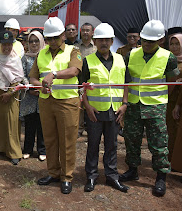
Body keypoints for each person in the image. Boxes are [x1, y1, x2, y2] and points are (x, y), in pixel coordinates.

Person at [119, 20, 179, 197]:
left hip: (156, 106)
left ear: (161, 40)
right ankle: (132, 170)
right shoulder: (131, 55)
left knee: (159, 143)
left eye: (151, 41)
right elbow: (126, 81)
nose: (146, 43)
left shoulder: (168, 58)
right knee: (131, 139)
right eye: (144, 39)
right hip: (134, 105)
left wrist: (160, 99)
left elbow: (171, 82)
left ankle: (160, 177)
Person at [29, 17, 82, 194]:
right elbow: (33, 77)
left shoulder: (73, 51)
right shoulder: (41, 54)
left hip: (67, 102)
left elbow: (74, 71)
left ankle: (66, 177)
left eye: (55, 38)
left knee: (67, 140)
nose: (52, 42)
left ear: (63, 36)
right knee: (50, 139)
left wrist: (54, 74)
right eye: (49, 38)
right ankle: (53, 172)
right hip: (46, 101)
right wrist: (40, 84)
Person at [80, 23, 129, 193]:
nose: (104, 43)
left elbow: (126, 84)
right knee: (93, 144)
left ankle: (111, 176)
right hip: (95, 112)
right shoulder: (88, 61)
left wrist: (124, 104)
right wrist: (87, 107)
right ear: (94, 41)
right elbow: (81, 87)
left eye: (107, 40)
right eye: (100, 40)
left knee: (112, 145)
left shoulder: (121, 60)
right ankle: (92, 176)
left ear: (112, 41)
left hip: (115, 111)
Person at [0, 31, 26, 165]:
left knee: (11, 123)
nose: (7, 47)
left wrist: (9, 93)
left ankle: (13, 151)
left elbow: (19, 80)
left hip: (11, 95)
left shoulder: (16, 59)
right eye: (4, 44)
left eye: (9, 44)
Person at [20, 30, 46, 161]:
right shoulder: (25, 57)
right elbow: (22, 75)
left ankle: (42, 150)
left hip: (44, 94)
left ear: (41, 41)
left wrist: (41, 87)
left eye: (36, 40)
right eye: (31, 41)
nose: (34, 43)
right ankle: (27, 149)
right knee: (30, 124)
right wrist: (29, 87)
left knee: (42, 124)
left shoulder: (46, 56)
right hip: (29, 95)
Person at [75, 23, 96, 138]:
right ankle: (79, 128)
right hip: (79, 80)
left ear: (92, 32)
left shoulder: (96, 47)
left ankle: (91, 127)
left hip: (93, 80)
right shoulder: (76, 48)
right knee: (80, 104)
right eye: (83, 30)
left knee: (91, 103)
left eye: (88, 30)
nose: (85, 33)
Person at [166, 33, 182, 162]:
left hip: (179, 100)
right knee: (170, 130)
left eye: (177, 44)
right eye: (172, 44)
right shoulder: (165, 59)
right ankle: (170, 159)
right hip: (168, 100)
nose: (175, 47)